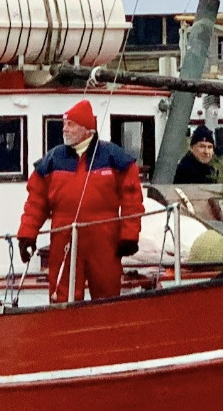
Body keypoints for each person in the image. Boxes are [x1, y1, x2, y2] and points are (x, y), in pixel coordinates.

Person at [17, 99, 144, 302]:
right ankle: (62, 329)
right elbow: (36, 201)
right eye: (64, 124)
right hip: (63, 234)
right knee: (61, 294)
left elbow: (132, 200)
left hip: (104, 236)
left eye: (70, 124)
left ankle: (105, 329)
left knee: (107, 293)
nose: (64, 129)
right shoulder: (52, 160)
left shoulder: (114, 158)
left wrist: (129, 235)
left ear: (86, 128)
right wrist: (27, 234)